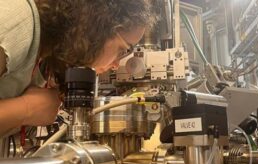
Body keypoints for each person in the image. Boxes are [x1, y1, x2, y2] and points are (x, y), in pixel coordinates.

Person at [0, 0, 154, 136]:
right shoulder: (17, 25)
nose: (115, 65)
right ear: (98, 25)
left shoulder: (42, 54)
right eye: (124, 50)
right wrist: (27, 108)